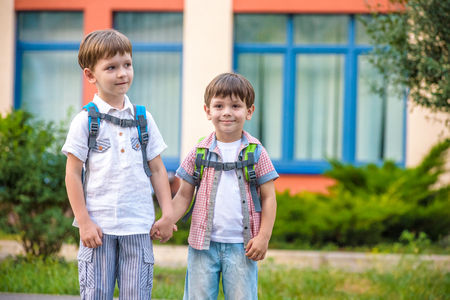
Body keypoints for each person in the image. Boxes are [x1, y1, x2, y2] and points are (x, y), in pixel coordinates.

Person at [62, 29, 174, 300]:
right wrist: (84, 221)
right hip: (97, 229)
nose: (123, 73)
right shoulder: (85, 122)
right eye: (111, 67)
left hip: (139, 227)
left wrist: (168, 213)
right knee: (96, 294)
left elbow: (158, 170)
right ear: (91, 75)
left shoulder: (143, 118)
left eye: (127, 64)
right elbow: (73, 174)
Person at [171, 72, 278, 300]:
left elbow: (269, 197)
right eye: (219, 105)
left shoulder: (257, 152)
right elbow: (183, 195)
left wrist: (263, 237)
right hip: (202, 246)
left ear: (249, 111)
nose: (227, 112)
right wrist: (167, 219)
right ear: (207, 111)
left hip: (243, 246)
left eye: (236, 105)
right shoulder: (200, 151)